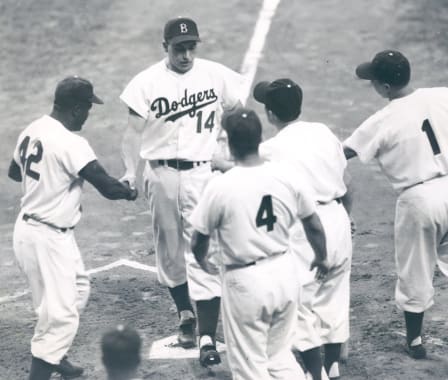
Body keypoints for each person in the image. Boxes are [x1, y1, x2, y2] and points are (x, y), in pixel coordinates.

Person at [343, 50, 448, 373]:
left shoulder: (381, 119)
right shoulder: (446, 96)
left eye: (374, 81)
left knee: (414, 271)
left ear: (385, 87)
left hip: (418, 200)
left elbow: (343, 153)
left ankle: (415, 342)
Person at [119, 16, 244, 365]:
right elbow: (131, 134)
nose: (186, 55)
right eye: (179, 48)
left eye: (191, 47)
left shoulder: (217, 75)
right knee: (170, 249)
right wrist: (130, 171)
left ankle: (206, 335)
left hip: (203, 174)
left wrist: (227, 147)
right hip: (160, 175)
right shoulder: (145, 82)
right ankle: (185, 313)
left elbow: (237, 111)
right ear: (165, 47)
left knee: (203, 249)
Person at [8, 76, 138, 380]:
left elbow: (15, 171)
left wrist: (48, 181)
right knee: (61, 316)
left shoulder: (35, 127)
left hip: (32, 231)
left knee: (76, 289)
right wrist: (130, 190)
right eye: (88, 109)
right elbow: (107, 187)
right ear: (77, 109)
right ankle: (41, 369)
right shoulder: (72, 143)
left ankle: (56, 355)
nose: (89, 115)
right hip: (46, 238)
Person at [190, 107, 330, 380]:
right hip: (285, 274)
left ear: (229, 144)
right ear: (258, 138)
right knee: (278, 357)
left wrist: (202, 261)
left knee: (249, 366)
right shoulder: (286, 176)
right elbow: (313, 223)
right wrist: (321, 256)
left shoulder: (221, 186)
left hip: (246, 282)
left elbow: (198, 240)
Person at [253, 78, 353, 380]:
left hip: (305, 228)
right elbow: (348, 185)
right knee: (335, 293)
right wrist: (344, 219)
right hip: (337, 217)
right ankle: (332, 364)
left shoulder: (270, 148)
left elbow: (238, 169)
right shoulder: (323, 131)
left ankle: (313, 372)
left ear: (270, 114)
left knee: (300, 301)